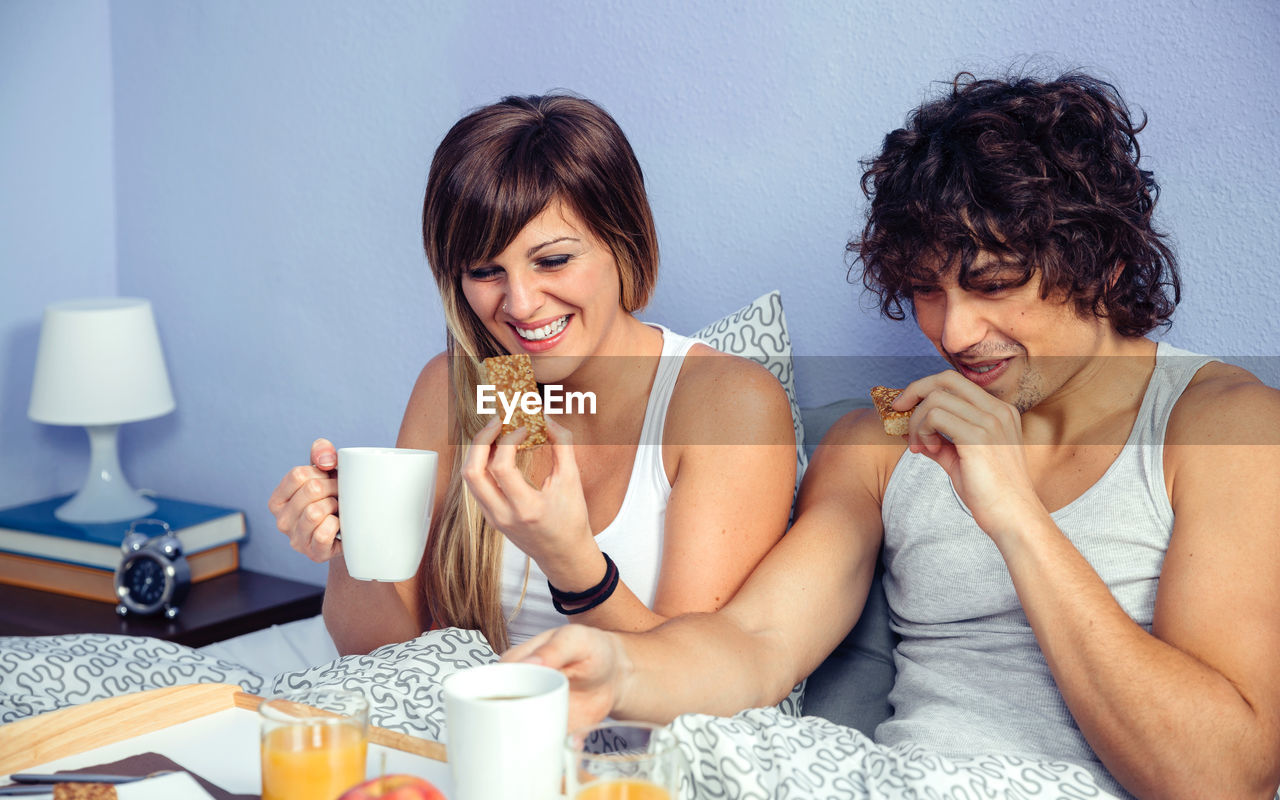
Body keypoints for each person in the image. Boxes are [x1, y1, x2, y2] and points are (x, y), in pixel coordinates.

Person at [507, 73, 1280, 799]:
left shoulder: (1225, 427)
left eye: (993, 283)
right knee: (580, 758)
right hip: (895, 783)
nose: (954, 331)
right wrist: (620, 668)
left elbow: (1219, 777)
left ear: (1104, 263)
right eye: (924, 291)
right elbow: (756, 643)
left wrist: (1014, 514)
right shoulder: (882, 442)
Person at [268, 94, 796, 656]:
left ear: (624, 242)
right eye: (485, 270)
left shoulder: (725, 404)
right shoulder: (462, 387)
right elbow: (373, 651)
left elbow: (694, 690)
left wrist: (575, 566)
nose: (520, 304)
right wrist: (352, 540)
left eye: (552, 260)